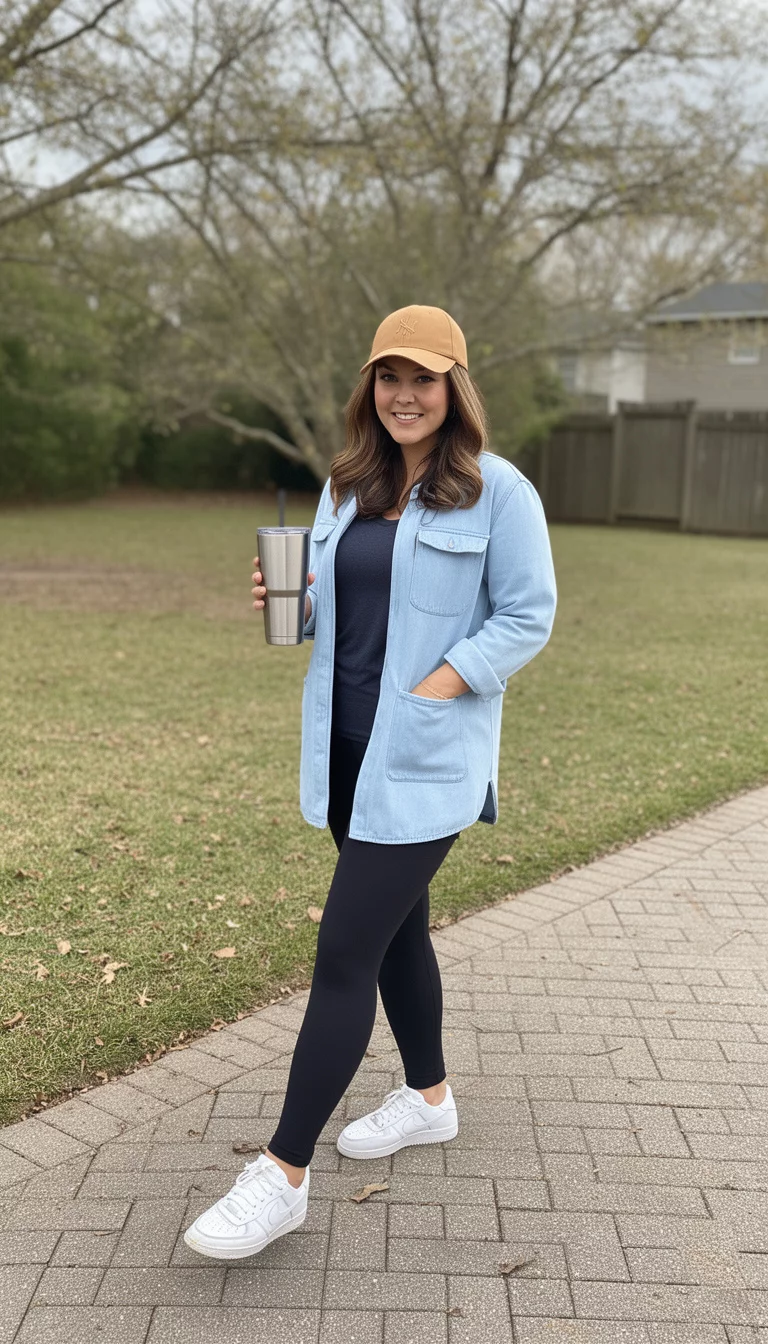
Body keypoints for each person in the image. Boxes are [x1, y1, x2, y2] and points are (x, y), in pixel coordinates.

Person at [184, 304, 557, 1260]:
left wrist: (439, 685)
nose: (403, 395)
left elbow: (527, 615)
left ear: (453, 389)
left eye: (423, 378)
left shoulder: (499, 492)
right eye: (389, 377)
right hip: (346, 753)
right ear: (371, 388)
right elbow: (335, 611)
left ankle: (282, 1174)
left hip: (425, 759)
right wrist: (293, 603)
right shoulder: (347, 484)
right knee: (399, 934)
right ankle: (430, 1098)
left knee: (345, 952)